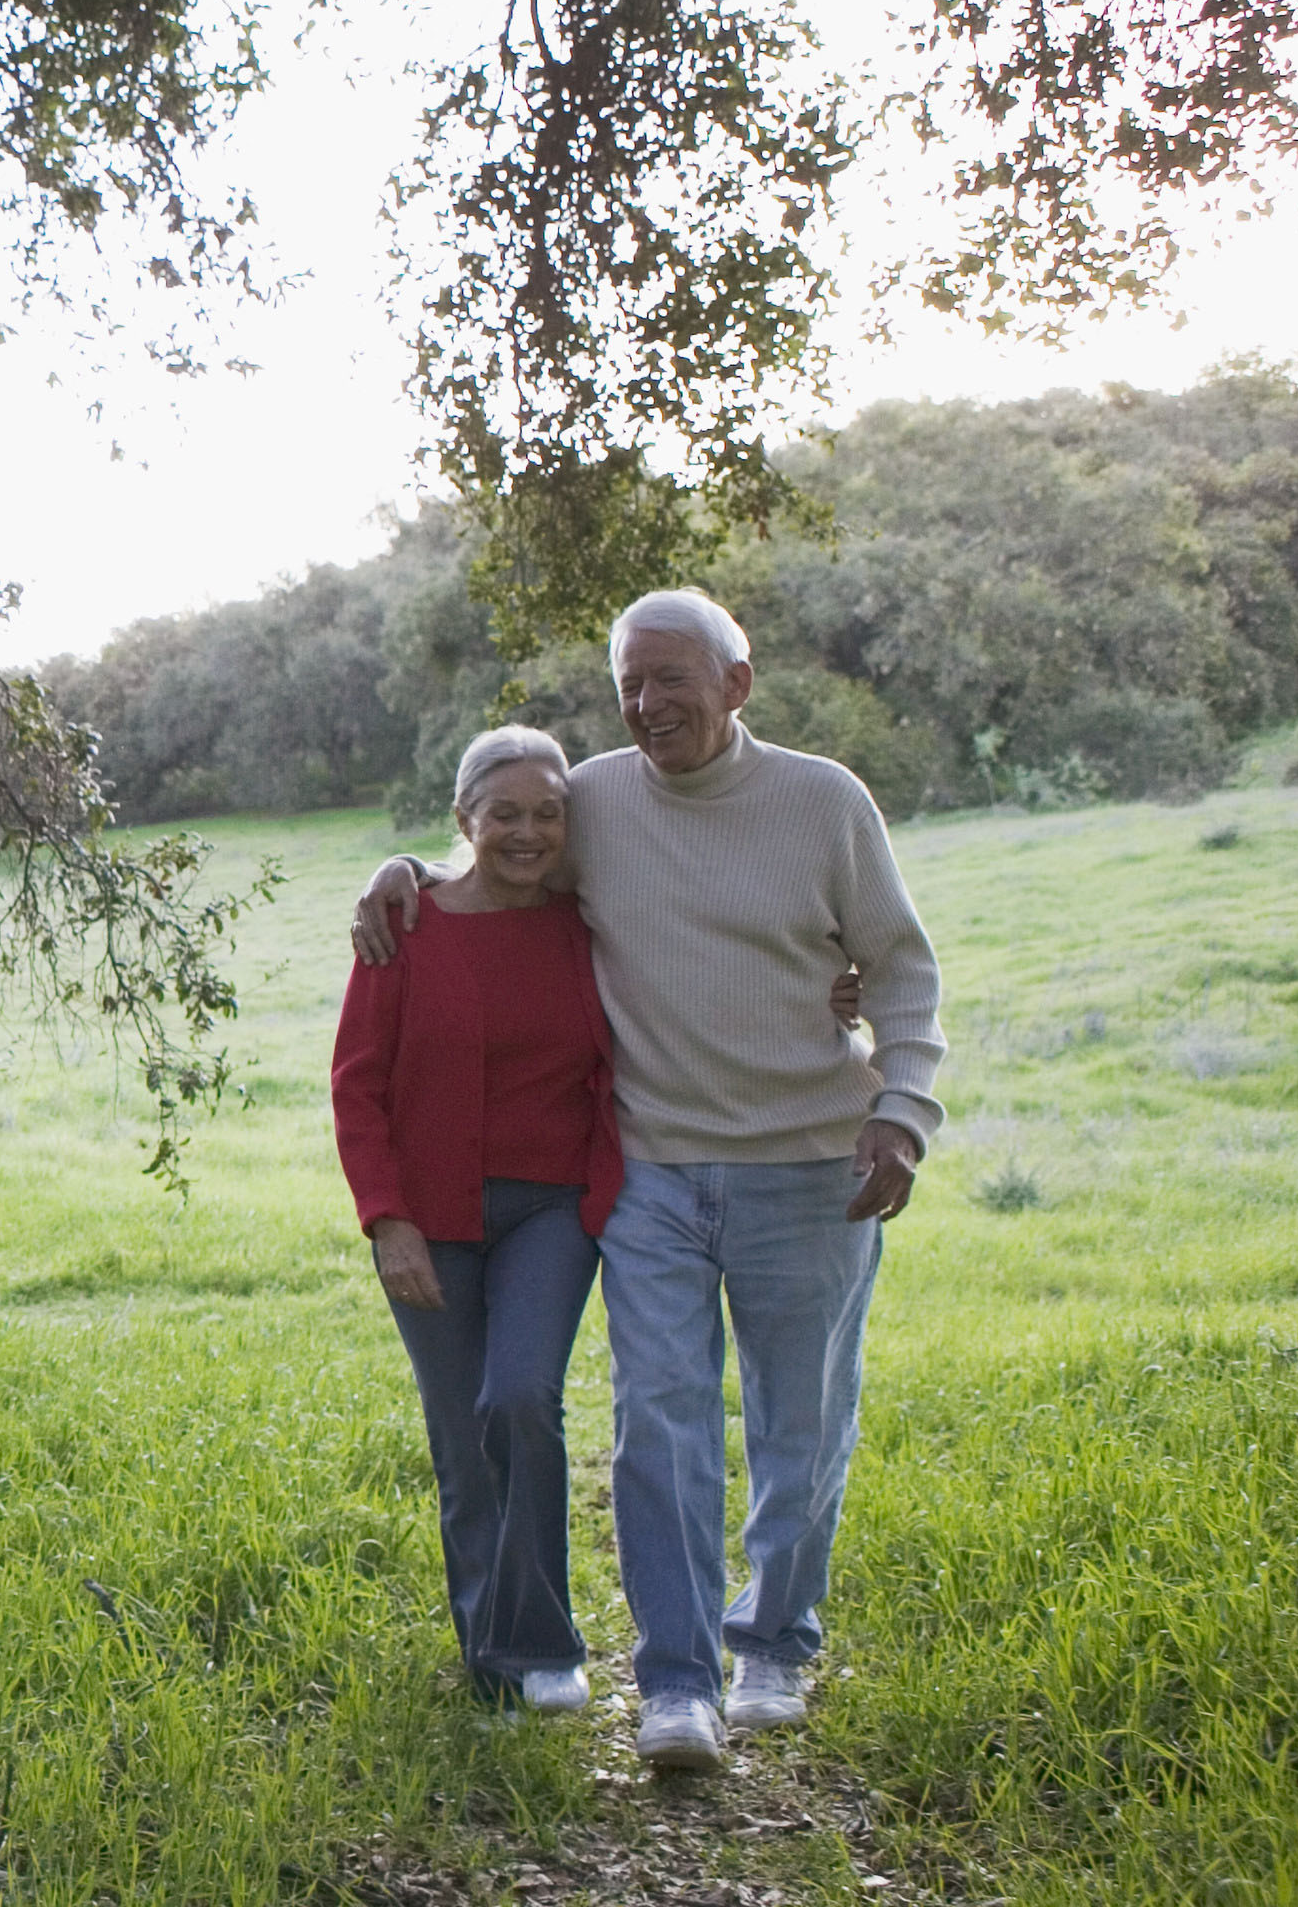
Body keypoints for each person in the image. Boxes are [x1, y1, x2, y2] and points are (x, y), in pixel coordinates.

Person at [357, 589, 946, 1775]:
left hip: (809, 1166)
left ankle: (774, 1642)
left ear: (738, 681)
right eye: (631, 679)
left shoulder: (824, 799)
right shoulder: (602, 802)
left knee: (800, 1421)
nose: (648, 700)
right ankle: (676, 1681)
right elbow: (499, 856)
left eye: (673, 676)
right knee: (658, 1420)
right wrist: (401, 868)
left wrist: (902, 1113)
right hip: (655, 1168)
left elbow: (899, 965)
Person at [334, 724, 619, 1713]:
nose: (529, 831)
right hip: (431, 1215)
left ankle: (545, 1644)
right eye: (507, 813)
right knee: (463, 1438)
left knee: (520, 1399)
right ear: (466, 819)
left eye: (549, 812)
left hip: (553, 1207)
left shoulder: (587, 923)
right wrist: (386, 1219)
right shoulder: (404, 926)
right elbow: (357, 1087)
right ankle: (492, 1665)